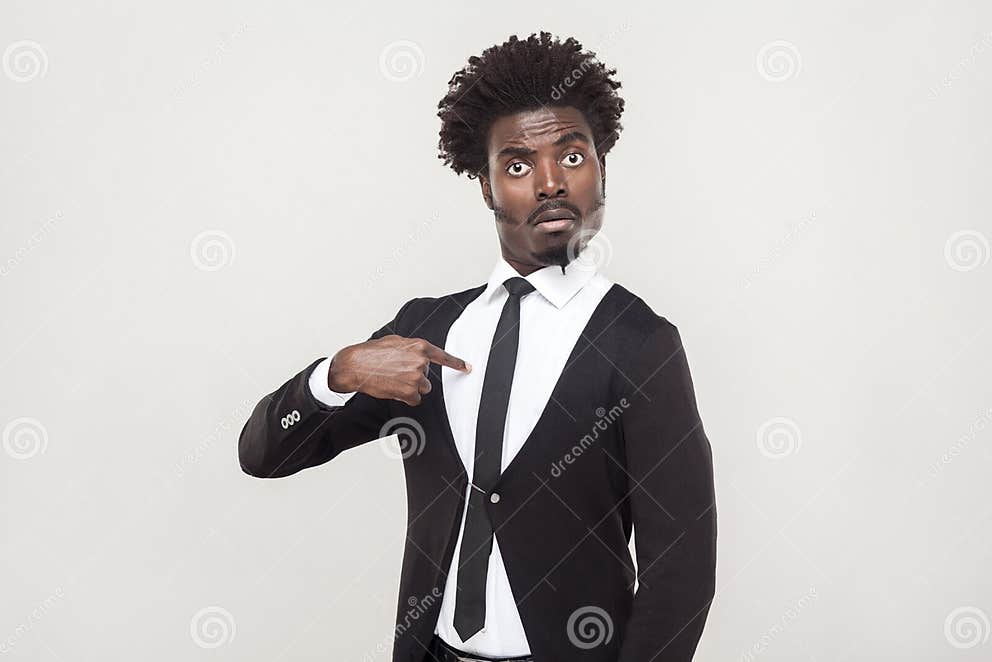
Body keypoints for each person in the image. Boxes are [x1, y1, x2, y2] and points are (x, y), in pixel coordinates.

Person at [239, 31, 717, 662]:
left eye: (572, 157)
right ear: (486, 187)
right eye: (518, 165)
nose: (549, 183)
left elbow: (680, 571)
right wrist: (342, 369)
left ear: (601, 170)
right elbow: (262, 454)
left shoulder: (640, 344)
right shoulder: (428, 329)